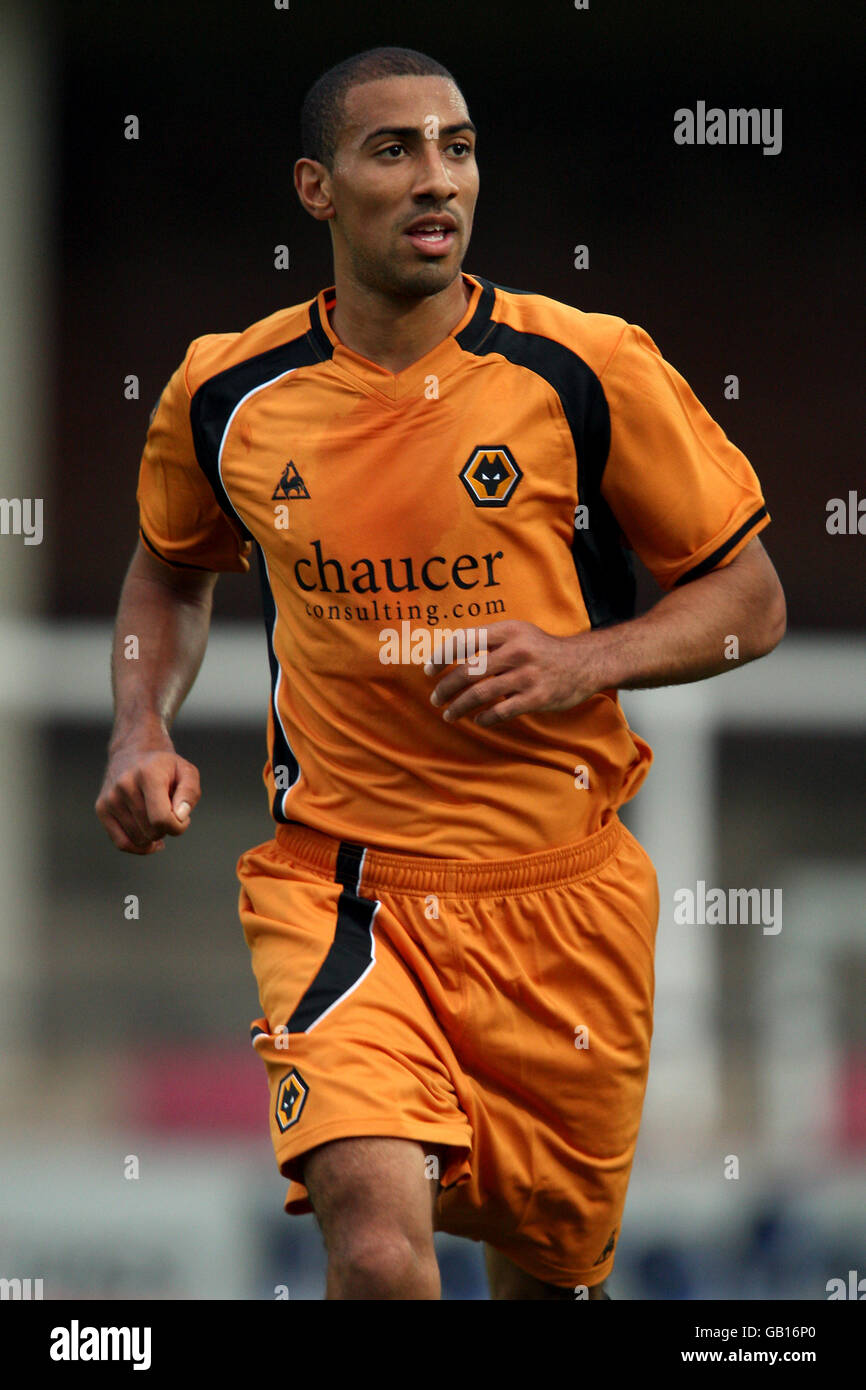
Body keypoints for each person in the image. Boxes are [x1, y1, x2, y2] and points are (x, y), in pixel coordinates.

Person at [95, 46, 786, 1300]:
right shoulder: (227, 392)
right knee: (371, 1242)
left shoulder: (586, 367)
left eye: (457, 149)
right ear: (316, 188)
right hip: (340, 891)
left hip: (563, 908)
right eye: (394, 149)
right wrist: (139, 726)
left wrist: (586, 657)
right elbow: (168, 572)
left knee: (545, 1280)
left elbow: (750, 605)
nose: (436, 180)